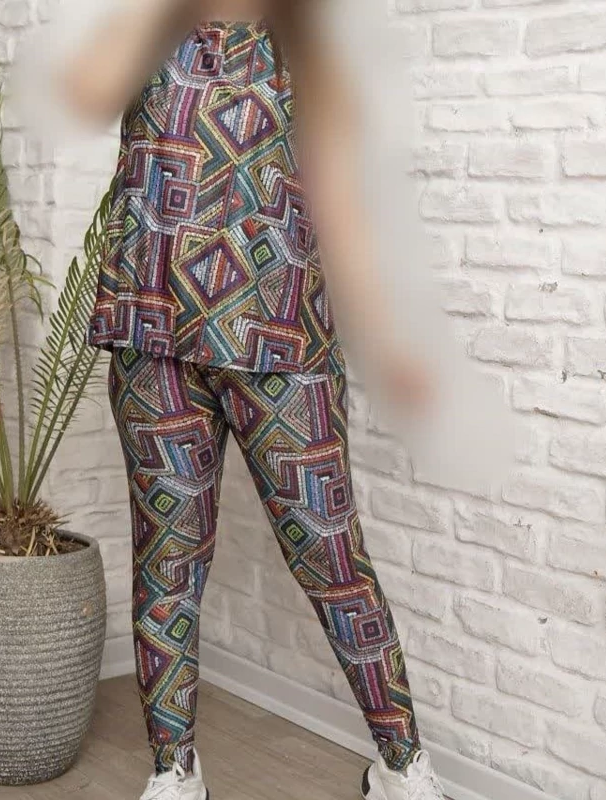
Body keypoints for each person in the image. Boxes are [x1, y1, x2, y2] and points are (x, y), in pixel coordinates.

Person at [35, 1, 446, 798]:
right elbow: (81, 90)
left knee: (329, 553)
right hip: (154, 336)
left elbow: (343, 206)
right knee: (168, 560)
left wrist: (388, 339)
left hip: (282, 338)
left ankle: (402, 766)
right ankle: (175, 771)